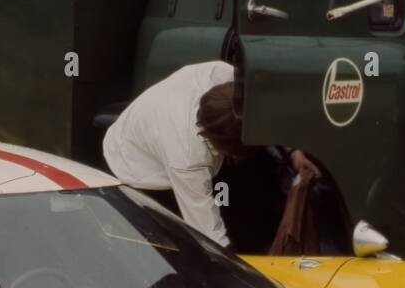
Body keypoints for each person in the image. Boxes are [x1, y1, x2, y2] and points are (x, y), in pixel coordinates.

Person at [103, 60, 319, 249]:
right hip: (136, 163)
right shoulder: (186, 158)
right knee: (184, 243)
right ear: (227, 151)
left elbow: (264, 113)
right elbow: (210, 235)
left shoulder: (224, 76)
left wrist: (294, 151)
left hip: (163, 120)